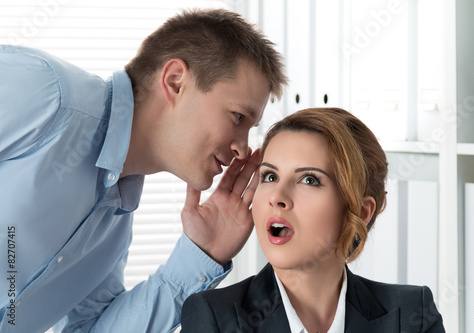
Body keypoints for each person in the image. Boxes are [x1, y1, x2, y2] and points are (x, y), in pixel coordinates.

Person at [0, 8, 287, 333]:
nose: (243, 148)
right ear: (176, 82)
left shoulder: (111, 226)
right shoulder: (45, 93)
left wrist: (201, 254)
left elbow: (89, 329)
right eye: (238, 117)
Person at [181, 108, 445, 332]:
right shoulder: (214, 317)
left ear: (362, 212)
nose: (277, 197)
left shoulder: (413, 315)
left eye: (309, 180)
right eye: (270, 177)